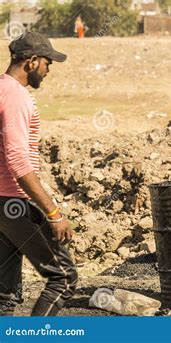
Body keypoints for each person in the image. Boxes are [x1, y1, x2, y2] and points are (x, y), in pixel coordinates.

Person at [0, 32, 77, 316]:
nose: (48, 70)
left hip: (2, 205)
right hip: (15, 202)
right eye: (47, 63)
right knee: (64, 278)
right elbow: (18, 162)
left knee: (4, 293)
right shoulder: (16, 97)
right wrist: (54, 214)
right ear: (31, 62)